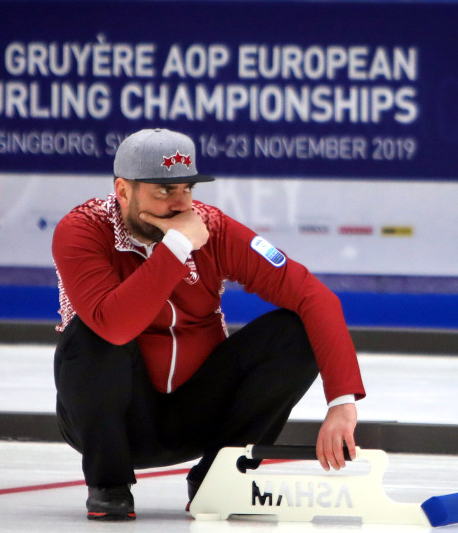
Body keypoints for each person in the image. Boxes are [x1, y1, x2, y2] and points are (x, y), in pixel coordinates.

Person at [52, 128, 365, 521]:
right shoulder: (82, 229)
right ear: (123, 191)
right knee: (90, 333)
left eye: (187, 188)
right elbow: (114, 326)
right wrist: (177, 247)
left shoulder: (213, 228)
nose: (180, 204)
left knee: (295, 331)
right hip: (111, 424)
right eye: (163, 191)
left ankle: (219, 477)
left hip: (197, 414)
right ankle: (109, 485)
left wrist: (341, 403)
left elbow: (315, 296)